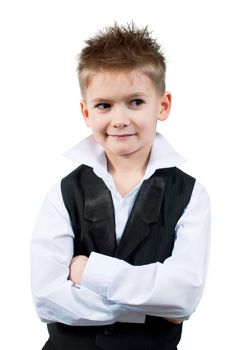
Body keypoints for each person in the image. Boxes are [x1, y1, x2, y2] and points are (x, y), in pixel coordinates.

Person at [30, 22, 211, 350]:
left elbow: (183, 296)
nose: (120, 119)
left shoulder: (190, 195)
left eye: (136, 102)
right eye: (104, 105)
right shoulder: (63, 193)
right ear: (86, 111)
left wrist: (89, 272)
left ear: (163, 105)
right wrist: (153, 307)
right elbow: (47, 299)